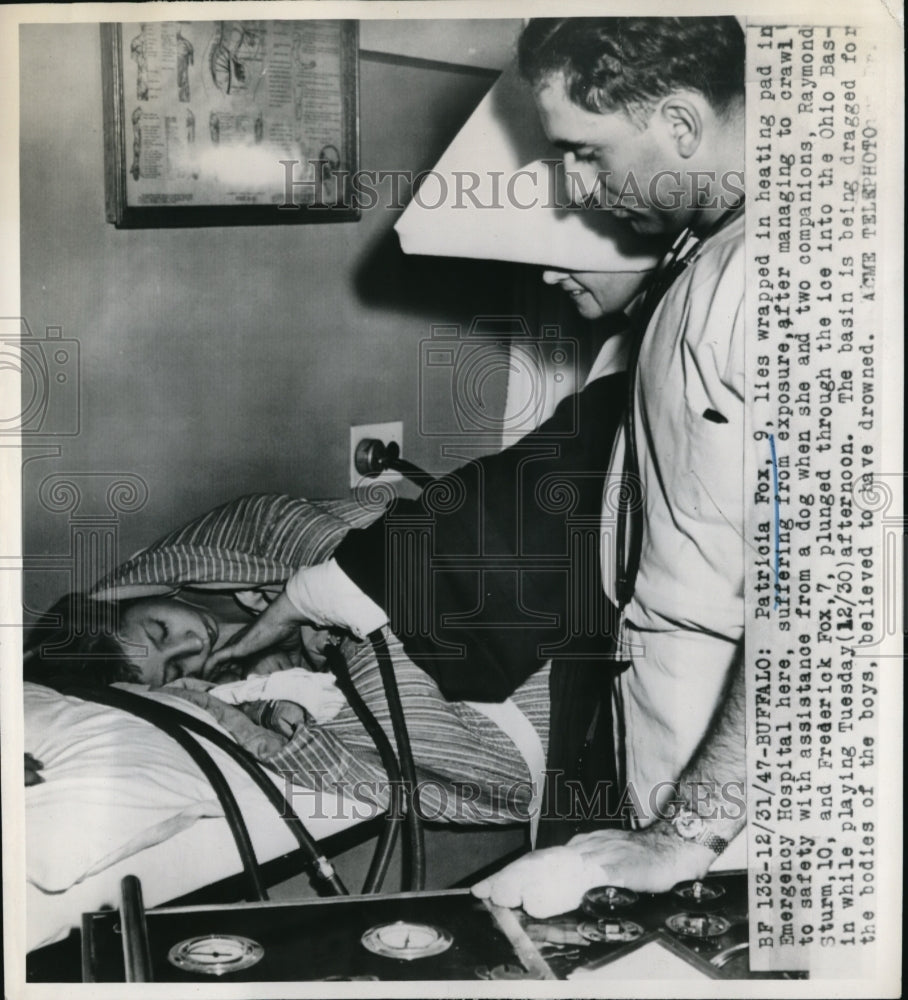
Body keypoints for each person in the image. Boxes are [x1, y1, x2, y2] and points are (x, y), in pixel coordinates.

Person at [210, 15, 750, 916]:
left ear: (683, 126)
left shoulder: (775, 277)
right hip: (682, 768)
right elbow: (559, 484)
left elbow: (824, 612)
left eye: (587, 153)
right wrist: (317, 592)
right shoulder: (708, 261)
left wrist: (680, 838)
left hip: (736, 799)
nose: (578, 189)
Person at [24, 587, 548, 823]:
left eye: (161, 630)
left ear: (129, 600)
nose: (193, 646)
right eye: (178, 670)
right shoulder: (249, 679)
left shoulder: (221, 577)